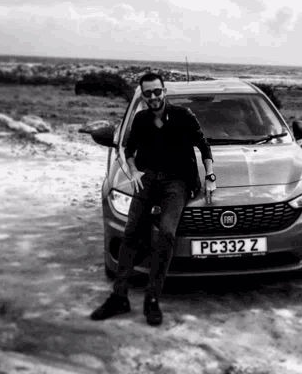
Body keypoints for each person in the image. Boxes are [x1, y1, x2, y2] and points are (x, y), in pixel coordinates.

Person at [90, 72, 216, 326]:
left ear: (164, 91)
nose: (153, 97)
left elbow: (204, 147)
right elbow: (128, 149)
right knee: (130, 233)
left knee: (167, 233)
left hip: (177, 181)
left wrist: (210, 175)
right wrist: (134, 170)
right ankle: (119, 297)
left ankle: (152, 299)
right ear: (144, 96)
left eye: (157, 92)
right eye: (147, 94)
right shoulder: (141, 118)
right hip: (147, 179)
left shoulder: (183, 116)